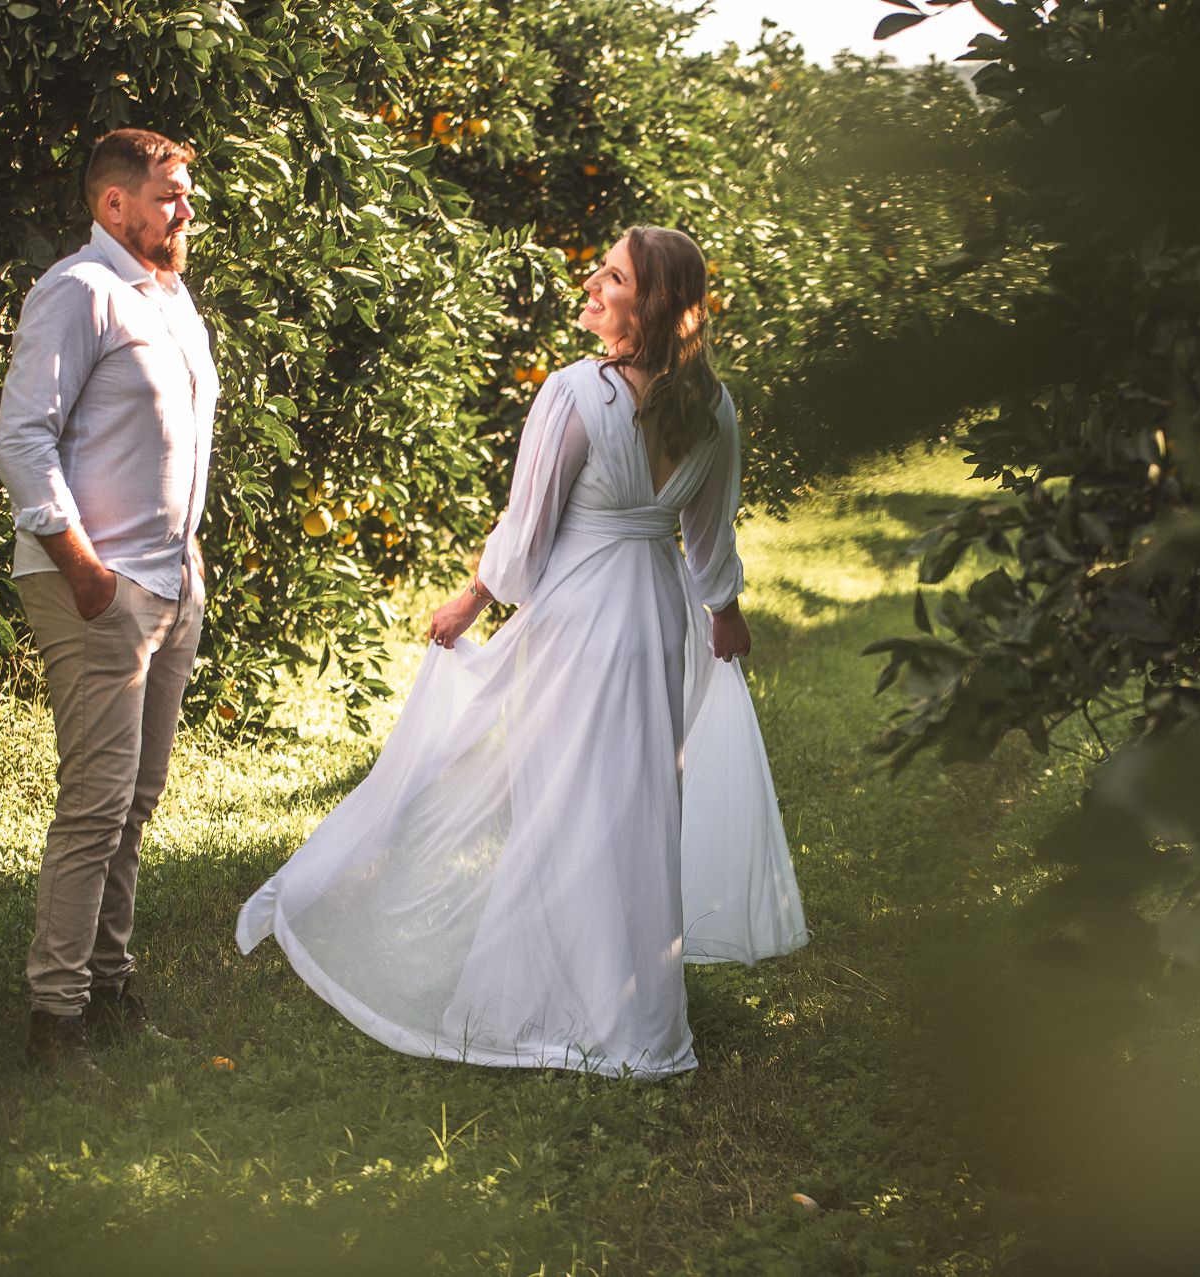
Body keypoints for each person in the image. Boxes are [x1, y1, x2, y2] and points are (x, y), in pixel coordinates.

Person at [237, 226, 807, 1078]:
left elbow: (526, 533)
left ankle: (561, 997)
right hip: (658, 617)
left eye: (610, 275)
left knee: (564, 799)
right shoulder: (713, 405)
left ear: (643, 304)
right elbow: (708, 533)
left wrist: (471, 598)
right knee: (641, 801)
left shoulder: (576, 394)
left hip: (580, 621)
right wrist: (724, 612)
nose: (591, 281)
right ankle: (635, 1010)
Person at [0, 128, 218, 1075]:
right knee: (95, 804)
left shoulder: (168, 298)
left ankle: (112, 987)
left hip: (169, 580)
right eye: (168, 193)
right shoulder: (77, 292)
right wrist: (86, 568)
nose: (185, 208)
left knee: (136, 802)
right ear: (113, 204)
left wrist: (183, 562)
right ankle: (57, 1020)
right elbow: (22, 439)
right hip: (97, 586)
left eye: (187, 193)